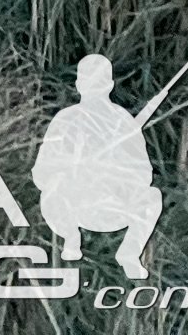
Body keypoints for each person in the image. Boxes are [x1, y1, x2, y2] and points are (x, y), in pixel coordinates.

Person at [35, 55, 165, 278]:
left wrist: (115, 173)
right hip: (75, 207)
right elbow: (41, 174)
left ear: (109, 85)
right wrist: (72, 169)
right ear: (79, 86)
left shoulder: (123, 122)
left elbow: (144, 175)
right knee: (52, 189)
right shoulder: (66, 120)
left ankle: (129, 254)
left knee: (152, 197)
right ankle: (70, 238)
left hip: (114, 207)